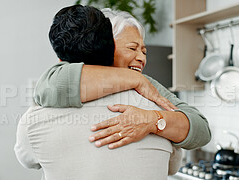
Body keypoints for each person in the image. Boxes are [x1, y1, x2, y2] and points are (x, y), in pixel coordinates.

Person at [15, 5, 184, 180]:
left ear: (61, 62)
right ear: (110, 49)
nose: (141, 57)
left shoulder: (36, 118)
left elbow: (26, 158)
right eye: (132, 48)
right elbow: (172, 166)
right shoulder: (161, 111)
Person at [34, 8, 211, 150]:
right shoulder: (66, 75)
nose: (142, 57)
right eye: (132, 48)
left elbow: (201, 129)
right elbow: (51, 86)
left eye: (144, 51)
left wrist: (152, 120)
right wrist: (134, 79)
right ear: (106, 45)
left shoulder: (148, 84)